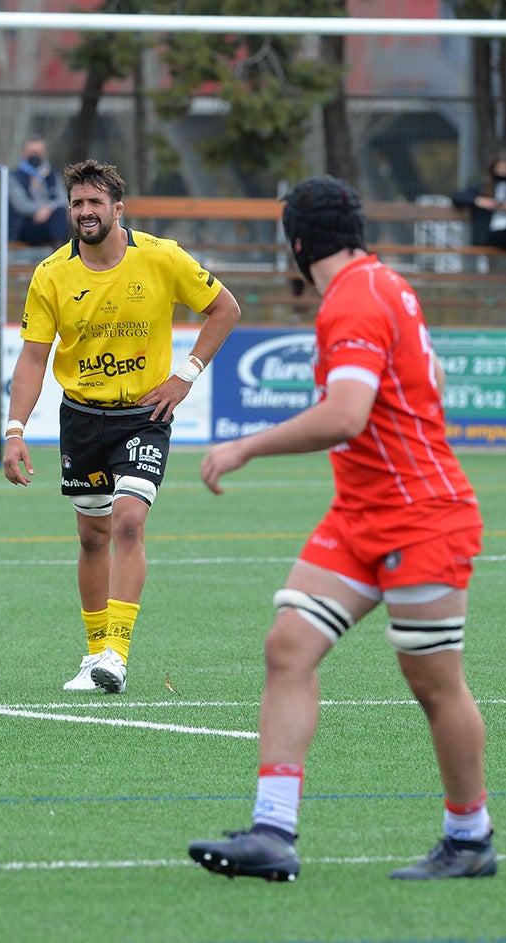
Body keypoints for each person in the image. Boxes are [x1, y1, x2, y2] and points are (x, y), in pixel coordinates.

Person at [189, 176, 495, 884]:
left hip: (420, 515)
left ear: (296, 244)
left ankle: (468, 834)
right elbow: (432, 377)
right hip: (363, 512)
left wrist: (244, 445)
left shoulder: (353, 299)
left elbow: (345, 413)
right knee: (288, 644)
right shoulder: (384, 283)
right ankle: (272, 829)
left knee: (432, 680)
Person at [2, 159, 240, 695]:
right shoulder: (51, 273)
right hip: (82, 418)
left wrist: (185, 377)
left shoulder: (161, 257)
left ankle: (117, 654)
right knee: (92, 538)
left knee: (129, 522)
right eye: (77, 203)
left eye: (95, 203)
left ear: (117, 209)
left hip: (145, 416)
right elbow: (34, 358)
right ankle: (93, 657)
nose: (85, 212)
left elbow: (225, 308)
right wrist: (15, 430)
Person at [9, 137, 69, 248]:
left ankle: (60, 247)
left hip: (50, 224)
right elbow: (21, 206)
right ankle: (60, 249)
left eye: (38, 152)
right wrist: (41, 210)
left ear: (45, 153)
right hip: (26, 225)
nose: (35, 155)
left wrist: (49, 208)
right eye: (32, 152)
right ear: (24, 153)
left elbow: (64, 199)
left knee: (60, 212)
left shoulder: (52, 175)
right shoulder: (15, 177)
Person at [450, 151, 506, 250]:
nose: (503, 169)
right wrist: (479, 201)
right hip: (493, 233)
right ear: (494, 168)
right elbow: (457, 197)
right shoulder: (484, 188)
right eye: (500, 166)